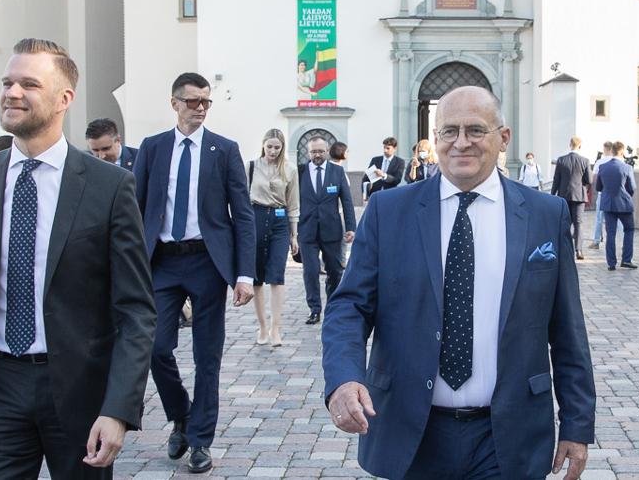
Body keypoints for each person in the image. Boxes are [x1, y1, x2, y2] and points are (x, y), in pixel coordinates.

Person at [321, 86, 595, 480]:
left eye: (475, 130)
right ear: (435, 139)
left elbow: (567, 329)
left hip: (508, 435)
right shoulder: (389, 212)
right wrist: (344, 378)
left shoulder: (544, 214)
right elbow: (349, 307)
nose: (461, 143)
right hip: (412, 431)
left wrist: (576, 423)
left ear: (503, 138)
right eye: (449, 131)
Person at [0, 38, 154, 479]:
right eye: (8, 82)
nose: (12, 93)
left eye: (29, 84)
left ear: (64, 98)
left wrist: (118, 409)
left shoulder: (109, 187)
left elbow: (136, 311)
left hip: (78, 390)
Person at [130, 72, 256, 474]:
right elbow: (134, 210)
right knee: (155, 348)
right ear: (174, 103)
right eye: (192, 102)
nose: (199, 108)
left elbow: (244, 215)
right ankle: (181, 414)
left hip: (207, 263)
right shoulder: (152, 148)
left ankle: (200, 441)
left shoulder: (225, 150)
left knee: (208, 357)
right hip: (162, 262)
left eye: (206, 102)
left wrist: (244, 274)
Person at [297, 136, 357, 325]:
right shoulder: (299, 172)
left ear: (327, 151)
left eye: (321, 151)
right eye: (314, 151)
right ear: (308, 152)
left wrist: (351, 228)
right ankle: (314, 309)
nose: (317, 155)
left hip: (332, 230)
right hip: (307, 231)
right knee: (311, 271)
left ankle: (332, 306)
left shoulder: (337, 172)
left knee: (335, 271)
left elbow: (347, 201)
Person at [248, 129, 296, 347]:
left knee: (277, 275)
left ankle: (276, 328)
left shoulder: (289, 169)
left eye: (277, 147)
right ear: (263, 145)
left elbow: (293, 203)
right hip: (255, 217)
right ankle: (262, 326)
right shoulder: (251, 167)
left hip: (279, 219)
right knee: (256, 278)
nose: (273, 151)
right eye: (270, 146)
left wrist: (294, 234)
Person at [595, 142, 637, 272]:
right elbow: (632, 188)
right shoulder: (627, 168)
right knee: (629, 229)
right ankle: (626, 259)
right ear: (622, 151)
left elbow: (598, 187)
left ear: (612, 151)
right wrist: (626, 195)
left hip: (608, 203)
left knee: (610, 234)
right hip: (624, 203)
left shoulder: (603, 167)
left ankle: (611, 263)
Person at [550, 138, 592, 261]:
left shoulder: (561, 160)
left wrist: (553, 194)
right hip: (579, 196)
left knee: (565, 223)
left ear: (570, 145)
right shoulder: (585, 160)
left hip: (564, 195)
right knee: (578, 223)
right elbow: (589, 180)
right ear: (580, 146)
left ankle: (564, 249)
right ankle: (578, 249)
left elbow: (556, 179)